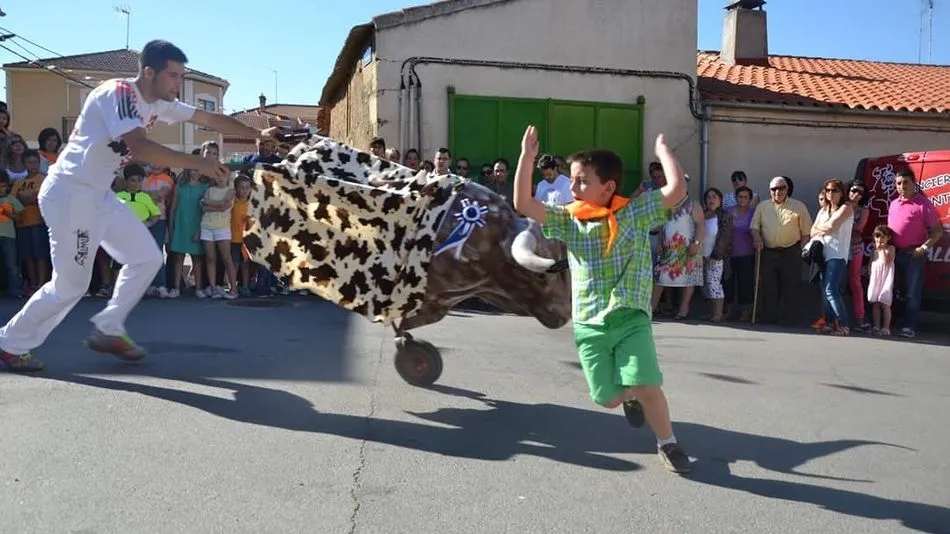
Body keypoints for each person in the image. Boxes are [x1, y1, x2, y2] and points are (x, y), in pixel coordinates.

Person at [0, 39, 279, 373]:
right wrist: (199, 163)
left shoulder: (160, 103)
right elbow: (140, 146)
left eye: (181, 76)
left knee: (146, 258)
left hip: (100, 195)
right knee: (70, 285)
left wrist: (257, 133)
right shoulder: (117, 93)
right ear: (149, 72)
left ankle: (109, 327)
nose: (179, 84)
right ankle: (9, 343)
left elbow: (209, 117)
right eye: (174, 76)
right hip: (71, 196)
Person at [512, 125, 691, 474]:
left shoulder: (635, 213)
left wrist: (663, 152)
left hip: (630, 316)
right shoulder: (569, 220)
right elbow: (523, 203)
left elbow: (677, 189)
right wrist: (527, 157)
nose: (573, 187)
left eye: (581, 181)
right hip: (589, 322)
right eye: (572, 179)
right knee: (606, 398)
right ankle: (628, 398)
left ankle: (668, 443)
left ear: (608, 187)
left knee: (647, 383)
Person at [867, 224, 896, 336]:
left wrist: (882, 249)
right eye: (877, 237)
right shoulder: (874, 251)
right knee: (875, 303)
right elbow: (871, 264)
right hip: (875, 279)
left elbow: (885, 261)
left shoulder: (890, 249)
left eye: (882, 237)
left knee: (884, 302)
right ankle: (876, 326)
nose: (879, 240)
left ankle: (886, 327)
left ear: (888, 238)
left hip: (885, 278)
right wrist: (869, 273)